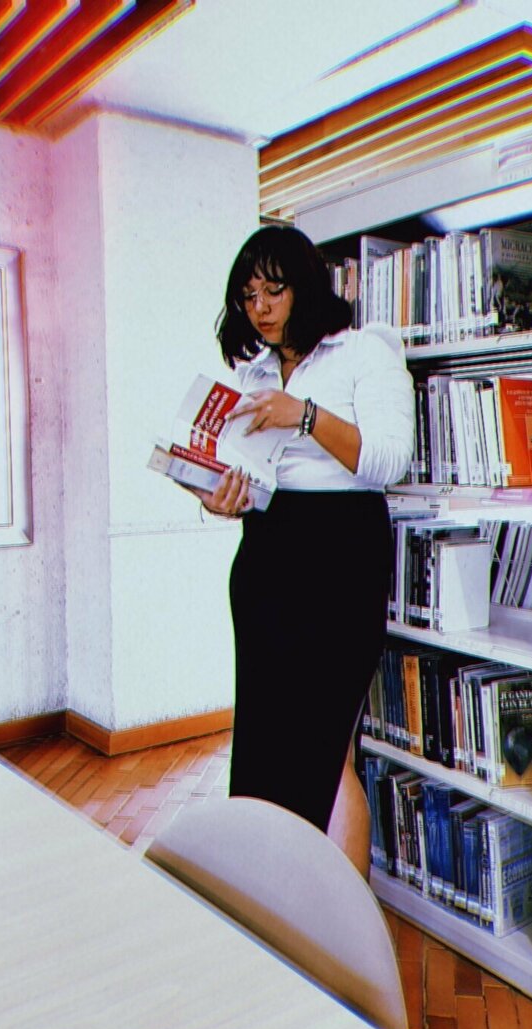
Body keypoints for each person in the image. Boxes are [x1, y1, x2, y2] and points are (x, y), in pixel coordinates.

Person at [201, 224, 414, 875]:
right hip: (267, 552)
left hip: (341, 554)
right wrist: (219, 497)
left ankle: (334, 916)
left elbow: (389, 461)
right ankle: (266, 894)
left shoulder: (364, 350)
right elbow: (248, 470)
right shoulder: (255, 369)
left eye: (274, 290)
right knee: (262, 743)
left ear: (306, 288)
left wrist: (304, 414)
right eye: (248, 295)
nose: (259, 308)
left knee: (325, 750)